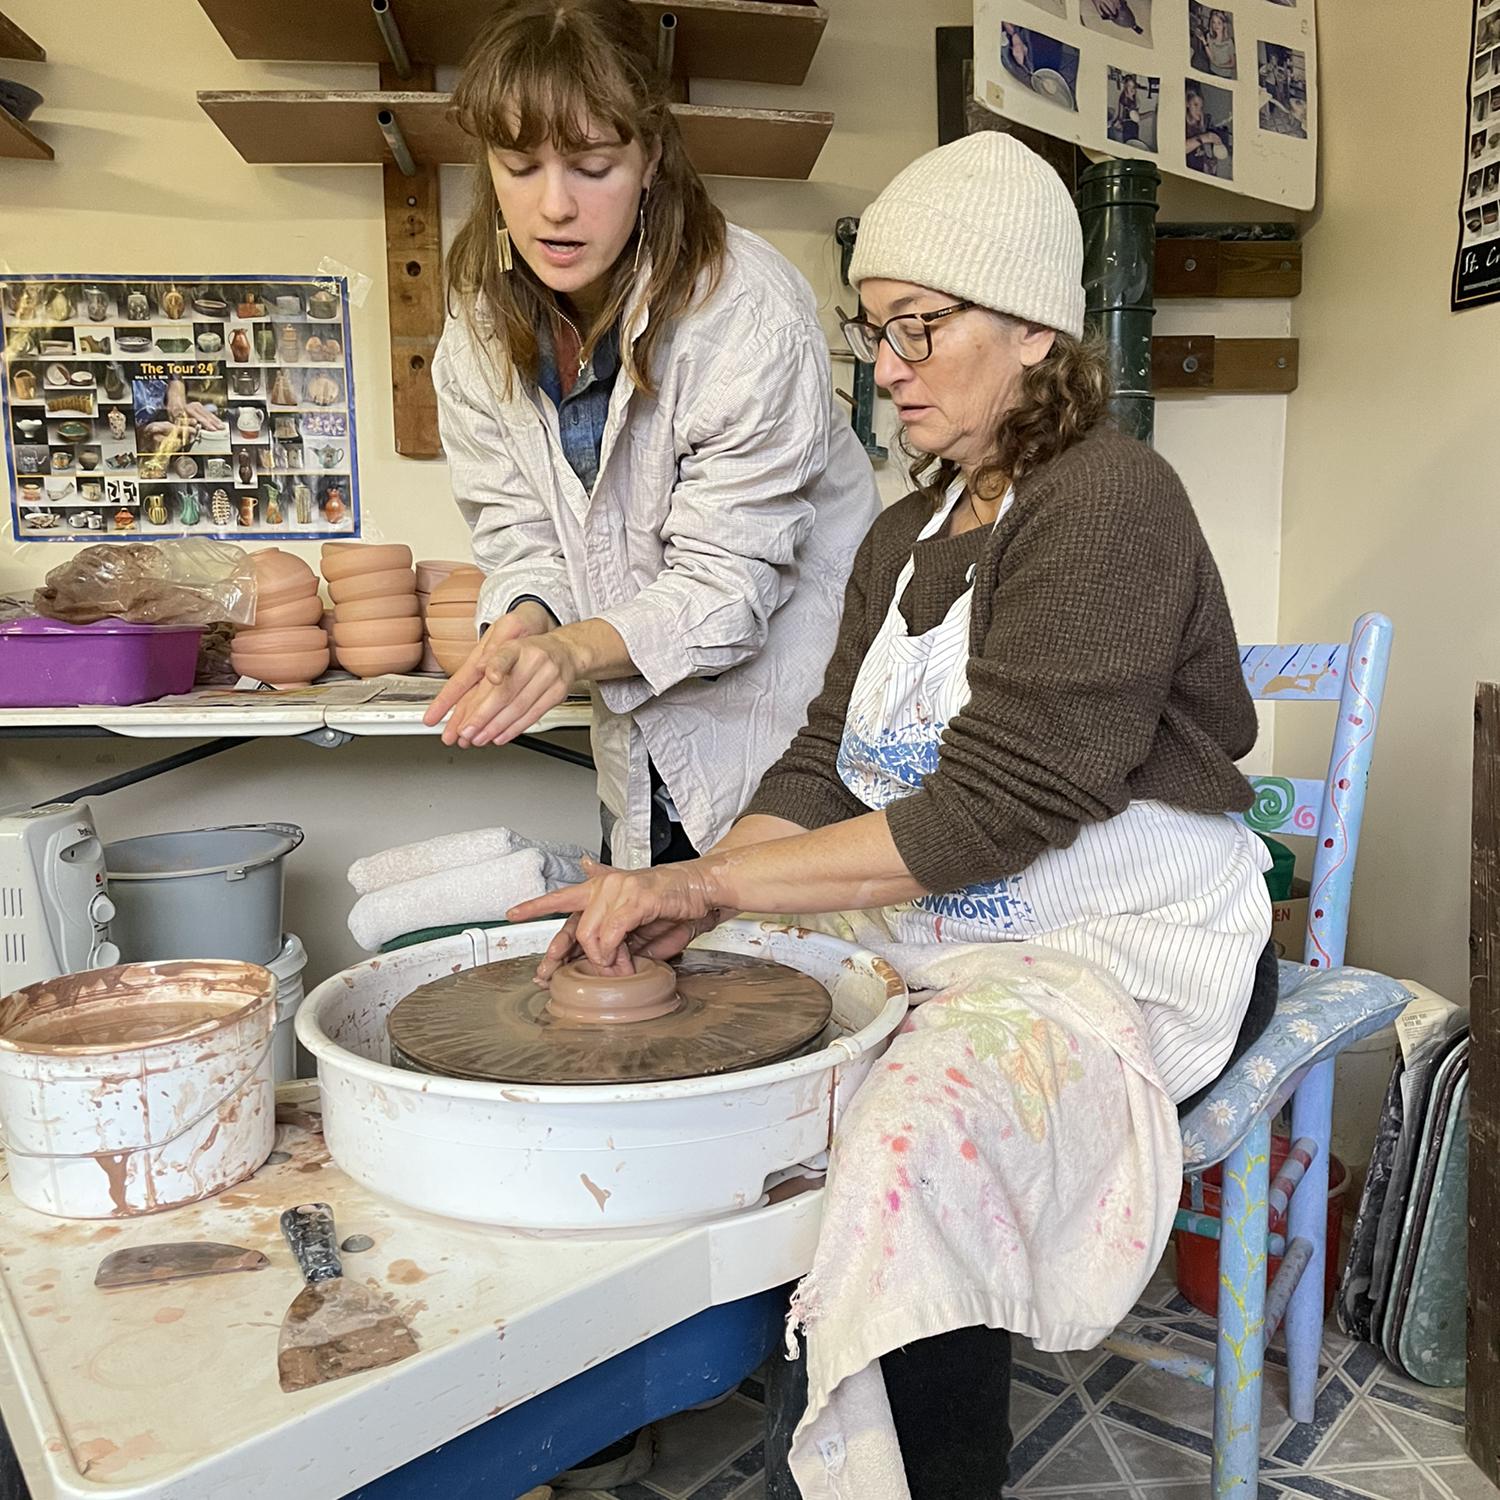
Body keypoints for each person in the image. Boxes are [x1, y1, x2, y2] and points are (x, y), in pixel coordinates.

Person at [514, 132, 1276, 1498]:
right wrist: (670, 893)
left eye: (920, 326)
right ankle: (828, 1413)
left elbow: (1002, 802)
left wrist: (714, 889)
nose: (889, 364)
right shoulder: (899, 534)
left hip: (1137, 937)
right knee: (771, 1058)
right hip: (976, 913)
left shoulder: (1111, 500)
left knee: (914, 1131)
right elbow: (823, 768)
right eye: (874, 330)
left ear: (1036, 327)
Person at [425, 0, 879, 873]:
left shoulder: (745, 313)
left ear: (651, 158)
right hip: (638, 735)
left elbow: (725, 586)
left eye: (594, 166)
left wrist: (569, 651)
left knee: (792, 973)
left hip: (787, 725)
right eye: (520, 167)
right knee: (646, 950)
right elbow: (521, 532)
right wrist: (527, 622)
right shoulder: (480, 325)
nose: (555, 207)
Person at [1186, 82, 1230, 175]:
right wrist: (1204, 137)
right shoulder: (1181, 123)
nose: (1199, 111)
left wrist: (1210, 162)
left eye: (1201, 107)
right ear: (1187, 104)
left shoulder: (1204, 122)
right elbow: (1178, 149)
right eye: (1195, 105)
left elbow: (1203, 152)